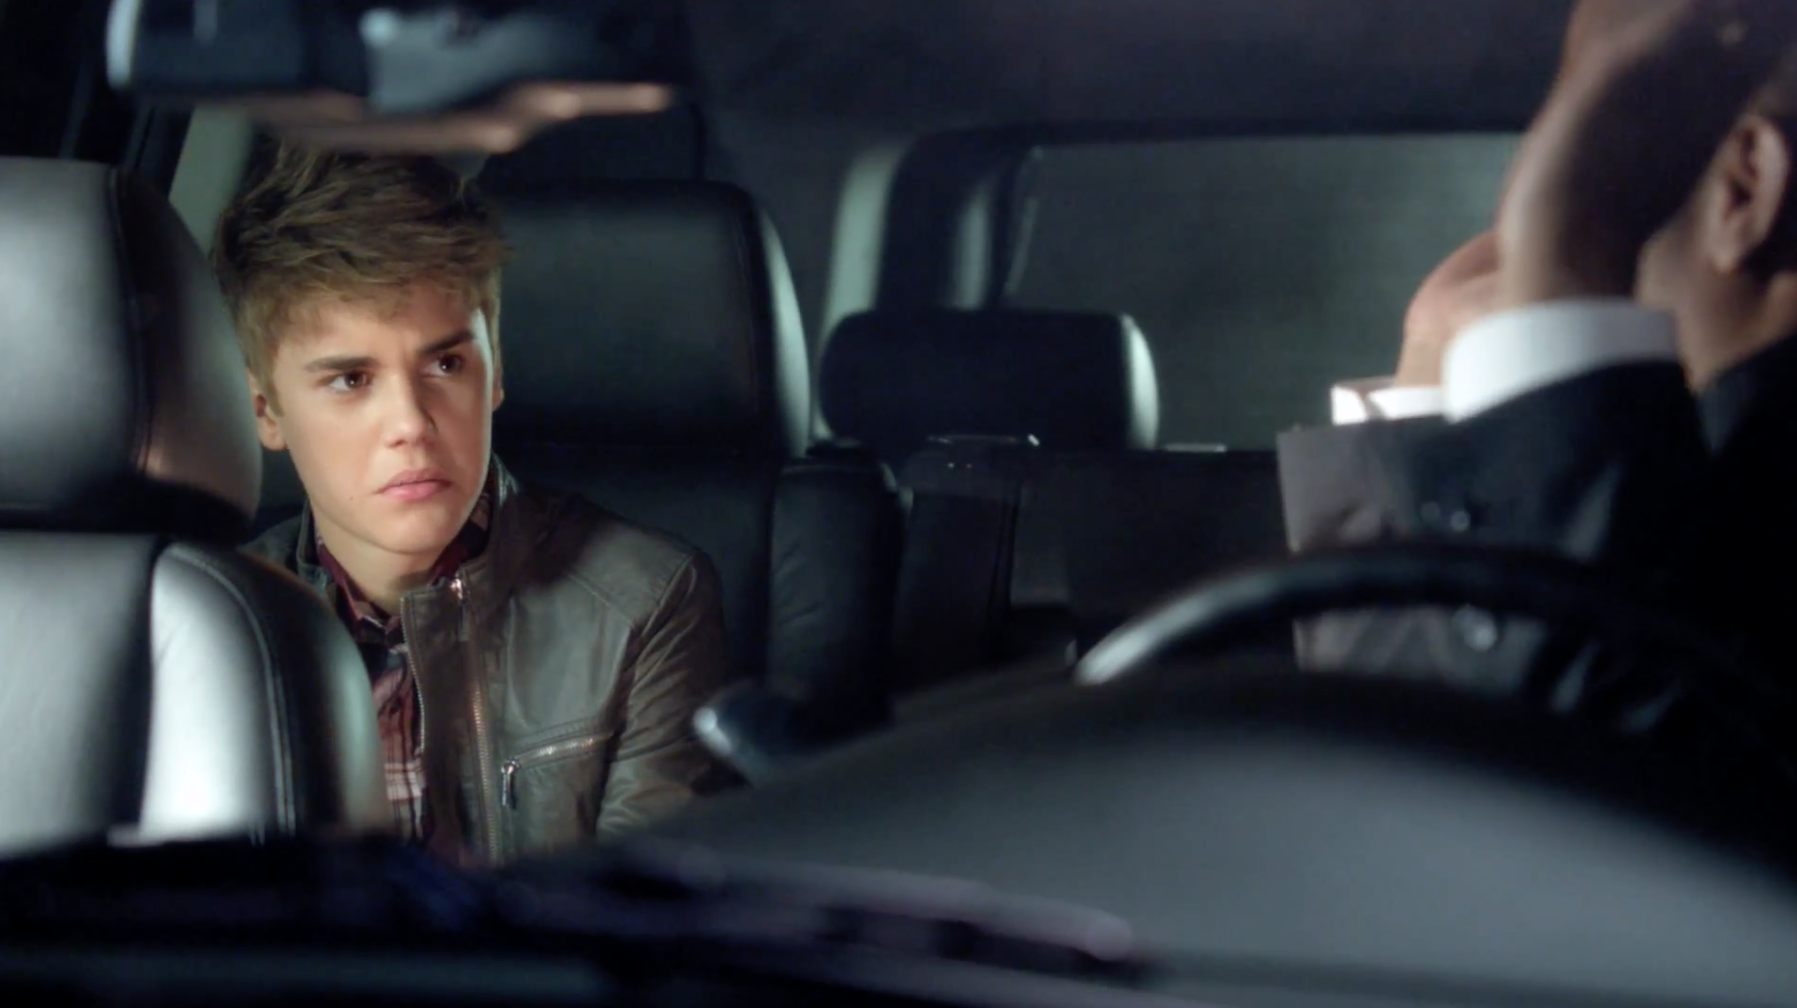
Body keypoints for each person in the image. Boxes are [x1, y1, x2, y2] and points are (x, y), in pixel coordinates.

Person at [1277, 0, 1797, 769]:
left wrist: (1570, 242)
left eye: (1600, 136)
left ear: (1743, 185)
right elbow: (1379, 769)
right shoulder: (1708, 486)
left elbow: (1574, 798)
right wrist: (1430, 359)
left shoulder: (1742, 522)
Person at [216, 143, 733, 866]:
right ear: (265, 411)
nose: (410, 423)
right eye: (351, 380)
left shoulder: (643, 608)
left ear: (494, 375)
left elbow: (632, 916)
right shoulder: (215, 626)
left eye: (445, 363)